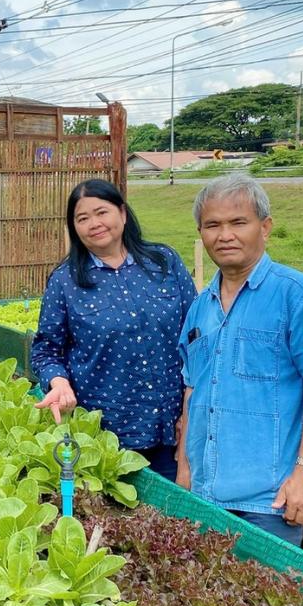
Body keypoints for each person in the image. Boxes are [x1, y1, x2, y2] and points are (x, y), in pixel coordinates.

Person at [176, 173, 303, 546]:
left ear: (265, 227)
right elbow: (194, 391)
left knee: (268, 601)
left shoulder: (296, 296)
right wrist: (185, 469)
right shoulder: (200, 308)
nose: (225, 235)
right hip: (204, 493)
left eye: (239, 223)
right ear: (201, 233)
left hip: (268, 501)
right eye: (212, 225)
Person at [30, 179, 197, 480]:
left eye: (101, 212)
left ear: (122, 213)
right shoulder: (65, 281)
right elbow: (46, 348)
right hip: (108, 437)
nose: (94, 224)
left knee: (179, 516)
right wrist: (58, 382)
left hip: (174, 428)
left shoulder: (163, 262)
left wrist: (192, 408)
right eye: (82, 218)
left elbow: (197, 335)